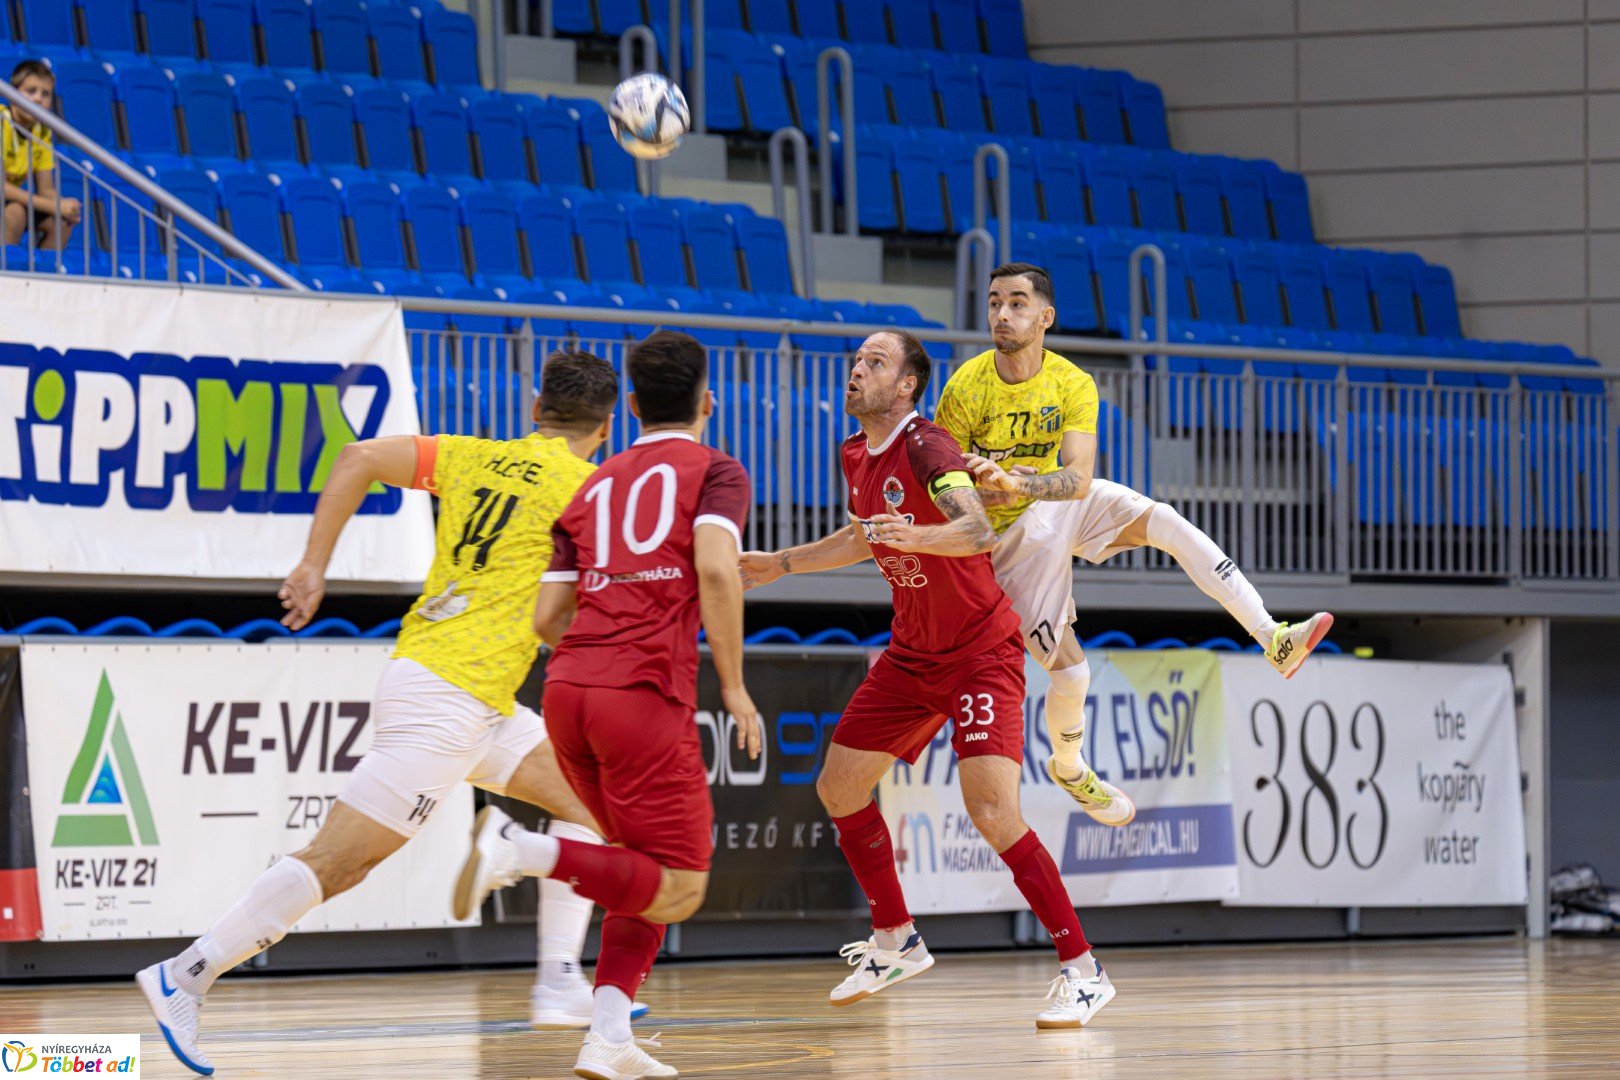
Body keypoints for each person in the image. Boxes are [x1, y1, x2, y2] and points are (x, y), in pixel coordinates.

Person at [137, 351, 641, 1077]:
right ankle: (185, 973)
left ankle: (558, 977)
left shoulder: (472, 456)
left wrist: (313, 566)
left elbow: (356, 457)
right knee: (339, 862)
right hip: (448, 697)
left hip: (468, 693)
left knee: (600, 804)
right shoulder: (587, 490)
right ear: (608, 425)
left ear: (536, 408)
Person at [738, 329, 1115, 1030]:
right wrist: (781, 563)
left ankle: (1083, 970)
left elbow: (973, 530)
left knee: (993, 813)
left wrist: (919, 536)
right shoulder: (855, 451)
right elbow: (862, 536)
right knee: (839, 785)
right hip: (913, 656)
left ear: (906, 385)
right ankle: (896, 939)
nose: (857, 372)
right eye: (855, 362)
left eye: (874, 364)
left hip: (980, 651)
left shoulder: (927, 446)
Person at [453, 331, 760, 1080]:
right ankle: (519, 851)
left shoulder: (593, 480)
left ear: (629, 407)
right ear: (706, 402)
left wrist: (594, 658)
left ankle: (609, 1036)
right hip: (639, 693)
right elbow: (718, 571)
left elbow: (546, 616)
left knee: (637, 866)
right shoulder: (717, 471)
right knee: (680, 889)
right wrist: (732, 685)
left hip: (568, 689)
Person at [938, 263, 1332, 821]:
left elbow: (1075, 478)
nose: (1003, 313)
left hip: (1056, 501)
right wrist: (982, 497)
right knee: (1072, 672)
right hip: (1010, 541)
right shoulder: (965, 387)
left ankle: (1272, 637)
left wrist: (1019, 481)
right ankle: (1070, 769)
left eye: (1018, 303)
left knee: (1166, 521)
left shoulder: (1072, 382)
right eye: (995, 302)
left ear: (1045, 317)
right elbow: (944, 485)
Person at [2, 60, 80, 250]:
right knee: (16, 212)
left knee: (61, 222)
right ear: (13, 95)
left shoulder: (42, 131)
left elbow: (46, 189)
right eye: (31, 91)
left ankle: (44, 274)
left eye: (45, 94)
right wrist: (54, 206)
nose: (38, 99)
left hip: (9, 201)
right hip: (7, 200)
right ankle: (6, 274)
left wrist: (64, 205)